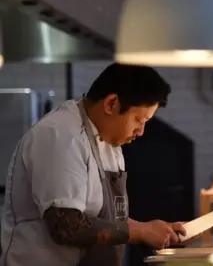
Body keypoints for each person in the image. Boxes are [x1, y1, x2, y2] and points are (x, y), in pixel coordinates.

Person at [0, 63, 198, 266]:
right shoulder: (61, 136)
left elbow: (101, 219)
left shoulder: (108, 142)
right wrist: (140, 232)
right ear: (111, 104)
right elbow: (67, 226)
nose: (141, 131)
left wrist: (155, 229)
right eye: (138, 119)